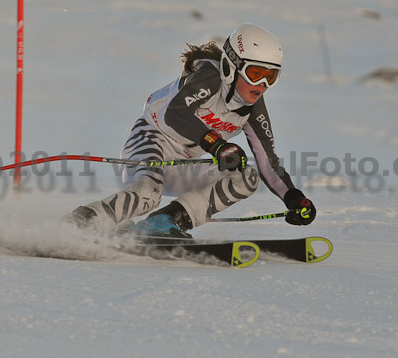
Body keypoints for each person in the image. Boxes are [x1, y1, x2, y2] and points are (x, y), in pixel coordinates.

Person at [68, 23, 316, 237]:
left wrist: (293, 198)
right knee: (146, 195)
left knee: (245, 177)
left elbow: (268, 164)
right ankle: (75, 226)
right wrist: (218, 145)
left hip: (183, 164)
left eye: (271, 77)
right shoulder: (210, 77)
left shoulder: (253, 109)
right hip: (151, 140)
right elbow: (175, 114)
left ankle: (164, 222)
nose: (262, 85)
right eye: (255, 73)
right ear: (232, 66)